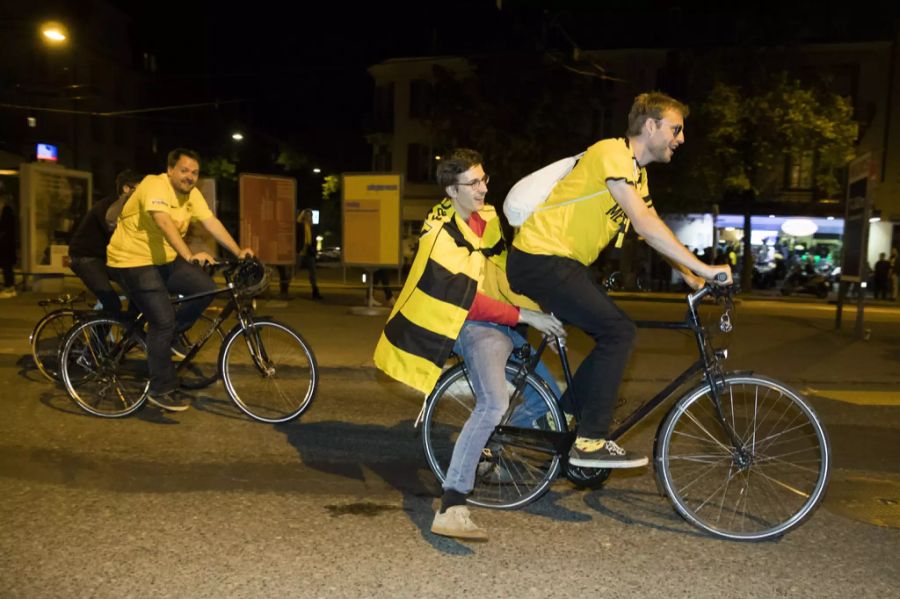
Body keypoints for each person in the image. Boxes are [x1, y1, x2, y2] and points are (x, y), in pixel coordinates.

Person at [507, 92, 732, 469]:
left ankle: (558, 419)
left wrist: (692, 277)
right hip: (540, 258)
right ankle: (590, 441)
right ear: (650, 126)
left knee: (616, 331)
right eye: (676, 129)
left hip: (562, 263)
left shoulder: (636, 174)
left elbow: (651, 229)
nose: (681, 139)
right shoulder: (610, 153)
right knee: (618, 332)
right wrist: (708, 268)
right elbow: (644, 224)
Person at [374, 149, 565, 541]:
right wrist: (525, 317)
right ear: (451, 191)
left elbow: (504, 275)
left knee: (552, 397)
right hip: (467, 324)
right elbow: (466, 299)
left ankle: (490, 447)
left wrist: (540, 310)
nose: (483, 189)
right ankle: (452, 504)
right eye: (473, 183)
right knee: (493, 402)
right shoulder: (440, 233)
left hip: (500, 317)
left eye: (484, 179)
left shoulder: (488, 220)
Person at [107, 148, 254, 412]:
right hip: (132, 261)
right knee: (162, 321)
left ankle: (171, 336)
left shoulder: (191, 195)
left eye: (194, 172)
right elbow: (163, 221)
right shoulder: (154, 184)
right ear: (171, 169)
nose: (189, 177)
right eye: (184, 170)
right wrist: (188, 255)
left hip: (163, 259)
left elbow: (211, 222)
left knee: (206, 288)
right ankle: (160, 388)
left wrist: (239, 250)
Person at [68, 169, 143, 313]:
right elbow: (117, 234)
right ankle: (95, 336)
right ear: (126, 188)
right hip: (86, 258)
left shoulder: (131, 207)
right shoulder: (110, 207)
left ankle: (132, 332)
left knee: (141, 295)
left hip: (106, 259)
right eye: (141, 189)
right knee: (112, 303)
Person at [297, 209, 322, 300]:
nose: (308, 217)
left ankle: (315, 291)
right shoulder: (299, 226)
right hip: (300, 251)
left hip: (309, 252)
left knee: (313, 272)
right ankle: (285, 288)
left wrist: (314, 250)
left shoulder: (312, 227)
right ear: (303, 216)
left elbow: (314, 239)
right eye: (307, 215)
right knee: (294, 270)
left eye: (310, 215)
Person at [0, 192, 16, 298]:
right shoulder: (6, 209)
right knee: (6, 265)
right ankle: (8, 285)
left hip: (6, 243)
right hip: (4, 243)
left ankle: (10, 286)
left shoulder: (7, 210)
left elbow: (8, 226)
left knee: (7, 266)